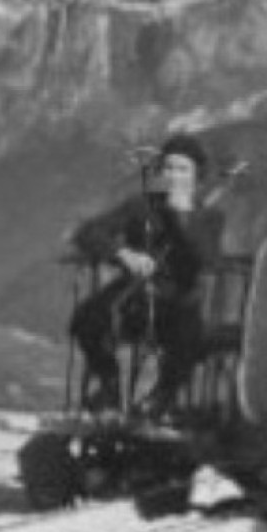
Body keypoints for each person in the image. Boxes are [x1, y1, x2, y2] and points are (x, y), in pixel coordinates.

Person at [67, 134, 223, 416]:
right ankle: (111, 383)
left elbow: (202, 259)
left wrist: (176, 218)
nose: (173, 175)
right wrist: (124, 254)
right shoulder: (141, 206)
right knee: (86, 318)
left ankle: (162, 397)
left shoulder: (209, 218)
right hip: (136, 295)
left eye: (182, 169)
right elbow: (88, 233)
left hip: (179, 299)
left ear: (196, 177)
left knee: (189, 336)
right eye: (168, 168)